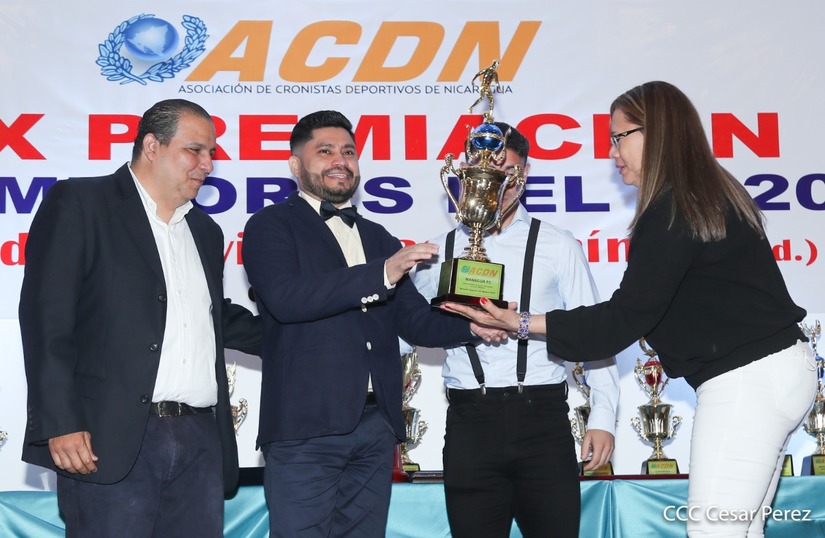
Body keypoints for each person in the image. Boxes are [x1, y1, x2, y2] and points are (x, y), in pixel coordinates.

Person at [443, 81, 817, 537]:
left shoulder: (673, 208)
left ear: (656, 133)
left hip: (746, 380)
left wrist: (519, 321)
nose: (612, 153)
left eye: (619, 138)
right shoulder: (703, 193)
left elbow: (622, 319)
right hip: (775, 371)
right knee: (742, 529)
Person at [241, 110, 505, 537]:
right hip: (305, 428)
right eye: (325, 151)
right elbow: (288, 300)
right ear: (295, 164)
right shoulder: (270, 225)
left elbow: (415, 322)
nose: (340, 160)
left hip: (375, 427)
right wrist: (382, 273)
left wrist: (474, 324)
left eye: (348, 152)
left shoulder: (379, 237)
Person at [19, 99, 261, 537]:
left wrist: (313, 331)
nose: (208, 164)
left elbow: (213, 318)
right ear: (152, 146)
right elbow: (46, 318)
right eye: (195, 150)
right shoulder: (81, 202)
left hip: (200, 439)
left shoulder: (206, 231)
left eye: (211, 153)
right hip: (108, 437)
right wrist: (61, 422)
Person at [410, 122, 619, 538]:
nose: (497, 184)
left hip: (542, 419)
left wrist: (603, 415)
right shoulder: (436, 251)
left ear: (525, 174)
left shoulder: (558, 245)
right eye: (485, 170)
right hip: (469, 422)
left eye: (508, 172)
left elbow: (592, 332)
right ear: (466, 172)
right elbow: (409, 331)